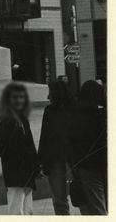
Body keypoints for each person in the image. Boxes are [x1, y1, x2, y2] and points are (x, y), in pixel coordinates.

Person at [0, 82, 40, 215]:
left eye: (21, 97)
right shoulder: (6, 121)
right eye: (15, 98)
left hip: (25, 172)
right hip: (16, 173)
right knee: (17, 211)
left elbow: (30, 145)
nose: (19, 100)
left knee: (27, 210)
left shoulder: (21, 119)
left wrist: (35, 168)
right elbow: (9, 150)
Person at [68, 80, 107, 215]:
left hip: (87, 167)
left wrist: (73, 167)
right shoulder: (103, 115)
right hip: (104, 164)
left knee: (96, 205)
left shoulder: (76, 116)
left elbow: (71, 144)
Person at [38, 80, 76, 214]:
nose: (48, 96)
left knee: (59, 199)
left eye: (50, 92)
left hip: (55, 160)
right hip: (73, 158)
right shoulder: (75, 108)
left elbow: (45, 137)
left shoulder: (50, 111)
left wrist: (41, 161)